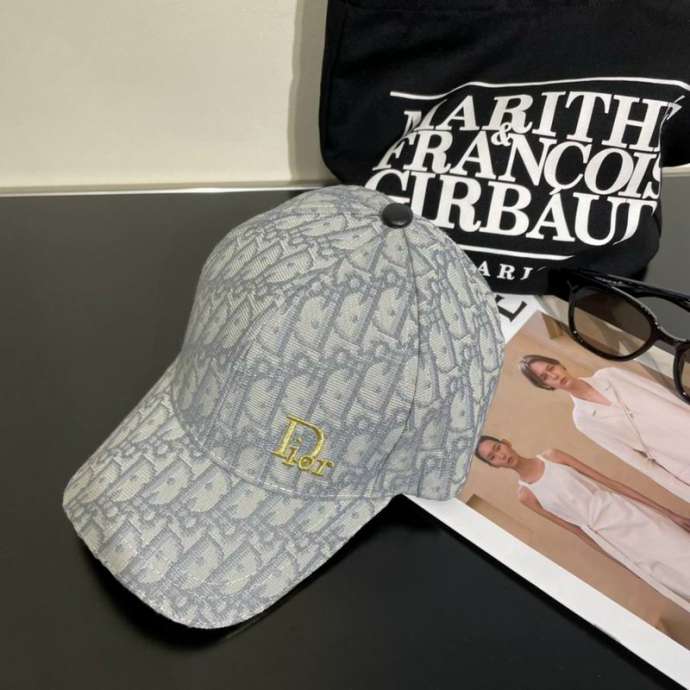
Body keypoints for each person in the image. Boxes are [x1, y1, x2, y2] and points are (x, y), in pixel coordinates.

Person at [475, 436, 690, 613]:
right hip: (610, 539)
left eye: (497, 448)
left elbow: (611, 483)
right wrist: (625, 564)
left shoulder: (552, 456)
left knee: (681, 549)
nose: (501, 456)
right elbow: (575, 531)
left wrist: (669, 514)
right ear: (493, 466)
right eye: (493, 457)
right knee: (672, 578)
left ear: (506, 443)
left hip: (626, 512)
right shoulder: (526, 496)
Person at [519, 354, 690, 504]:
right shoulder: (583, 419)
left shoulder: (610, 375)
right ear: (546, 386)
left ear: (559, 364)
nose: (554, 375)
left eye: (551, 368)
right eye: (545, 377)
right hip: (677, 460)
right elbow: (637, 461)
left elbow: (662, 393)